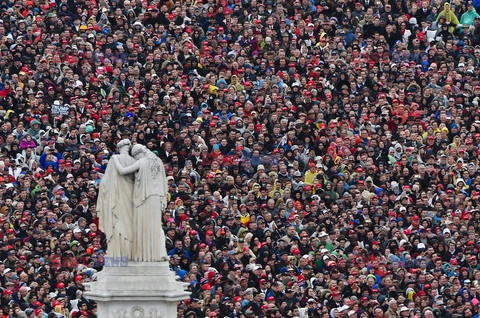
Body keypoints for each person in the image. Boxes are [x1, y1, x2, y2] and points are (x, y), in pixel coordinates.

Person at [111, 144, 169, 262]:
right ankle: (160, 252)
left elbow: (122, 171)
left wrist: (115, 159)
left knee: (143, 226)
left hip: (144, 198)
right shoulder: (158, 161)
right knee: (157, 225)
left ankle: (144, 255)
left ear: (137, 154)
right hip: (157, 198)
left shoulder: (142, 162)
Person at [97, 139, 136, 260]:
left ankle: (118, 253)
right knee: (128, 221)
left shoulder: (114, 159)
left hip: (117, 195)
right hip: (130, 194)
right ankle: (129, 252)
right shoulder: (134, 161)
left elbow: (105, 182)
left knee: (117, 221)